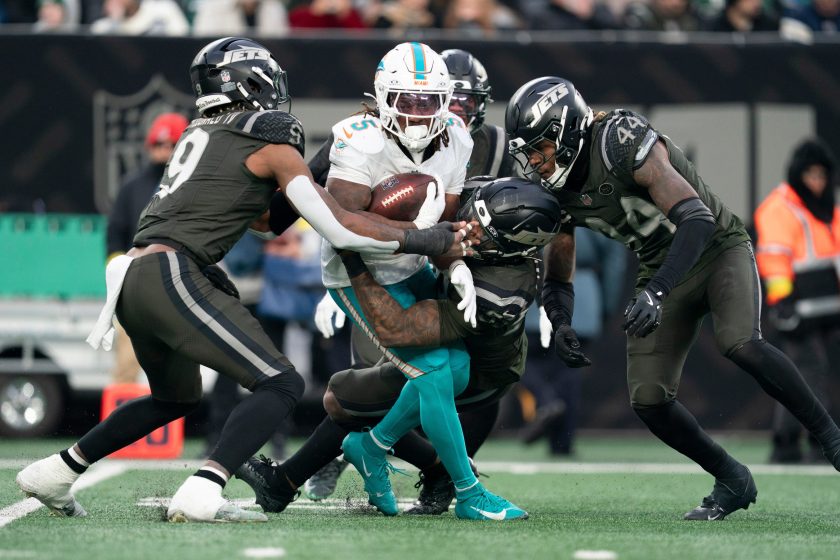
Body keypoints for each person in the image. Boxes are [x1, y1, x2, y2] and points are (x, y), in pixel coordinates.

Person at [14, 36, 470, 524]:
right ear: (251, 81)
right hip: (174, 271)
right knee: (281, 383)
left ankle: (59, 469)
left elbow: (267, 220)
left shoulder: (205, 130)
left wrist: (315, 171)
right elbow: (335, 225)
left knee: (176, 398)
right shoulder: (271, 134)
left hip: (135, 274)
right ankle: (204, 487)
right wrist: (428, 238)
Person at [504, 76, 840, 521]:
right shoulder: (555, 191)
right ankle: (731, 478)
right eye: (526, 151)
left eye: (540, 147)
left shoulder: (621, 140)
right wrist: (559, 320)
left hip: (717, 247)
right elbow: (559, 268)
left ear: (566, 130)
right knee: (648, 398)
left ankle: (831, 439)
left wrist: (657, 292)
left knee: (741, 343)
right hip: (662, 266)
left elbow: (697, 220)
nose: (533, 161)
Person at [235, 176, 562, 517]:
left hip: (483, 375)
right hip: (458, 347)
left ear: (507, 248)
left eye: (482, 230)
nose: (468, 226)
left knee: (350, 397)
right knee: (435, 366)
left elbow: (401, 329)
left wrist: (348, 257)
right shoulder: (481, 199)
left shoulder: (497, 293)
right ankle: (384, 459)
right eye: (474, 215)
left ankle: (455, 482)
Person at [300, 41, 525, 521]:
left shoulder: (458, 139)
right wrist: (424, 239)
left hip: (410, 266)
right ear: (383, 97)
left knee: (459, 368)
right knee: (437, 371)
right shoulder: (359, 138)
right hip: (357, 270)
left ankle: (371, 445)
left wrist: (455, 264)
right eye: (406, 99)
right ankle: (468, 491)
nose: (419, 112)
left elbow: (445, 225)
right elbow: (341, 223)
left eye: (429, 101)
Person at [754, 138, 840, 464]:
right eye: (810, 175)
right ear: (797, 174)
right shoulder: (780, 207)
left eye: (821, 175)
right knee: (809, 372)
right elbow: (774, 259)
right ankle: (820, 444)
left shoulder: (826, 206)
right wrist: (783, 304)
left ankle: (787, 443)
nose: (816, 182)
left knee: (803, 377)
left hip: (827, 308)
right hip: (798, 310)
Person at [105, 112, 189, 385]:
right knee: (127, 365)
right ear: (149, 146)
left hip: (175, 284)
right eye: (159, 145)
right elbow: (115, 233)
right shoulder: (132, 186)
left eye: (172, 145)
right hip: (135, 287)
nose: (164, 151)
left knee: (175, 366)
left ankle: (169, 424)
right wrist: (119, 273)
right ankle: (124, 427)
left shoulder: (190, 185)